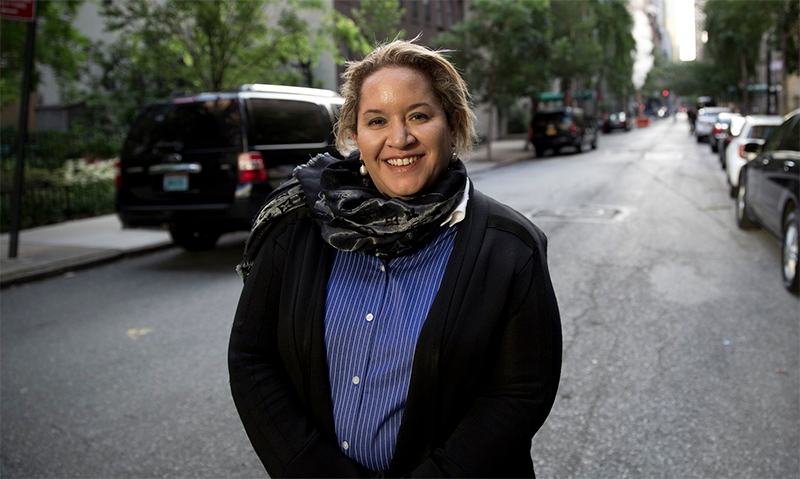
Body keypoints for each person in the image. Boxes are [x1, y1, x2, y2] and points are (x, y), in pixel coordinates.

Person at [228, 39, 562, 478]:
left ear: (453, 123)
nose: (398, 138)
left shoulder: (511, 247)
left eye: (419, 116)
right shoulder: (297, 228)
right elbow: (252, 358)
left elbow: (520, 392)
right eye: (377, 121)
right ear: (354, 136)